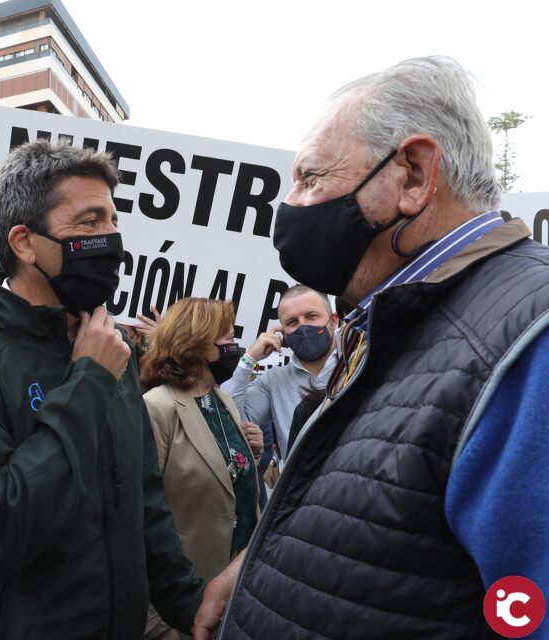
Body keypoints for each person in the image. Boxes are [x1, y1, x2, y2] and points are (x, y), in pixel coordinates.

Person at [195, 56, 549, 640]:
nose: (292, 205)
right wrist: (263, 564)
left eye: (311, 179)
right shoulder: (390, 322)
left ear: (412, 174)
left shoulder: (526, 339)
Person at [0, 140, 204, 639]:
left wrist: (191, 608)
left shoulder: (110, 344)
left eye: (113, 221)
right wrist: (88, 381)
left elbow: (142, 502)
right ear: (25, 243)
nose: (112, 238)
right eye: (89, 223)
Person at [139, 297, 262, 640]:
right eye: (224, 337)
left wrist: (248, 456)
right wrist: (159, 626)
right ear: (195, 343)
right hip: (182, 609)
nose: (233, 344)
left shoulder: (220, 399)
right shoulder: (157, 407)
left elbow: (225, 481)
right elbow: (138, 518)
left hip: (232, 596)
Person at [221, 284, 338, 469]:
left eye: (311, 316)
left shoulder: (358, 363)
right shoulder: (273, 381)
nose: (303, 326)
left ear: (334, 321)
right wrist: (249, 359)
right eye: (292, 322)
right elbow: (231, 416)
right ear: (282, 333)